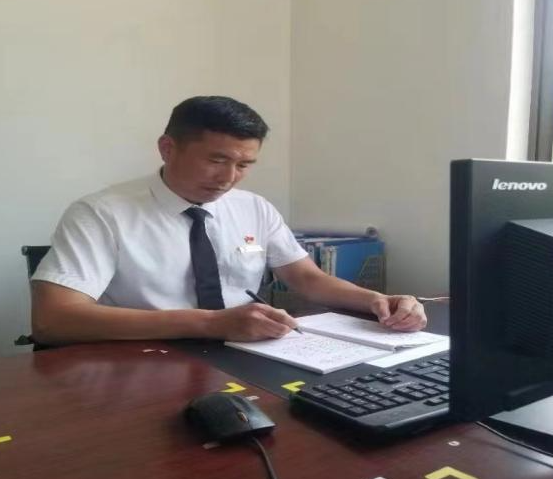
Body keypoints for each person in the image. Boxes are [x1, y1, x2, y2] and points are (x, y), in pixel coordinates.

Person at [31, 95, 426, 345]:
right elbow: (53, 320)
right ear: (167, 148)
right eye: (216, 160)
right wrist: (209, 324)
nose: (228, 178)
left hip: (245, 350)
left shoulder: (253, 207)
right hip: (143, 355)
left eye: (244, 164)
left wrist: (375, 300)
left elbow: (307, 279)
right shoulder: (101, 213)